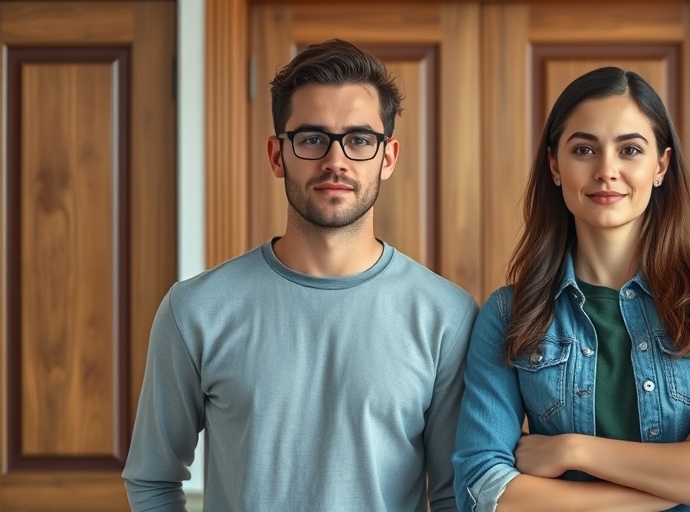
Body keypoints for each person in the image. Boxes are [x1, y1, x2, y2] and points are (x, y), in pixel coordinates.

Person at [123, 39, 477, 512]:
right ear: (277, 155)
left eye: (359, 140)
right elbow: (152, 481)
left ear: (387, 157)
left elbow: (456, 496)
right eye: (312, 138)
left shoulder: (447, 317)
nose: (336, 161)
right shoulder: (195, 311)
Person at [452, 67, 690, 511]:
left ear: (660, 166)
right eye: (584, 149)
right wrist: (675, 482)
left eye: (630, 149)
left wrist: (574, 451)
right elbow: (484, 492)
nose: (606, 170)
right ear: (555, 165)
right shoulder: (507, 313)